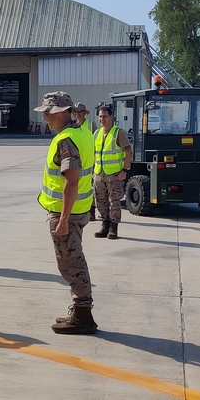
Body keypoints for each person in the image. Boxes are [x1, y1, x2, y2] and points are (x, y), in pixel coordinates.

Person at [35, 91, 97, 334]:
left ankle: (83, 316)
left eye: (48, 113)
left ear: (62, 113)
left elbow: (71, 181)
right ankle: (80, 310)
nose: (45, 119)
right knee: (73, 260)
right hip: (78, 211)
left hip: (67, 214)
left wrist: (61, 221)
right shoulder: (82, 132)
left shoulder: (66, 140)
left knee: (71, 264)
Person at [92, 105, 132, 240]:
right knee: (100, 202)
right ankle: (104, 225)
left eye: (104, 116)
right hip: (99, 173)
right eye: (100, 116)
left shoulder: (118, 132)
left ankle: (113, 228)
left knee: (114, 202)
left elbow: (128, 152)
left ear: (111, 117)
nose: (102, 119)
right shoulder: (97, 133)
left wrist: (124, 170)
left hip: (114, 175)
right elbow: (94, 153)